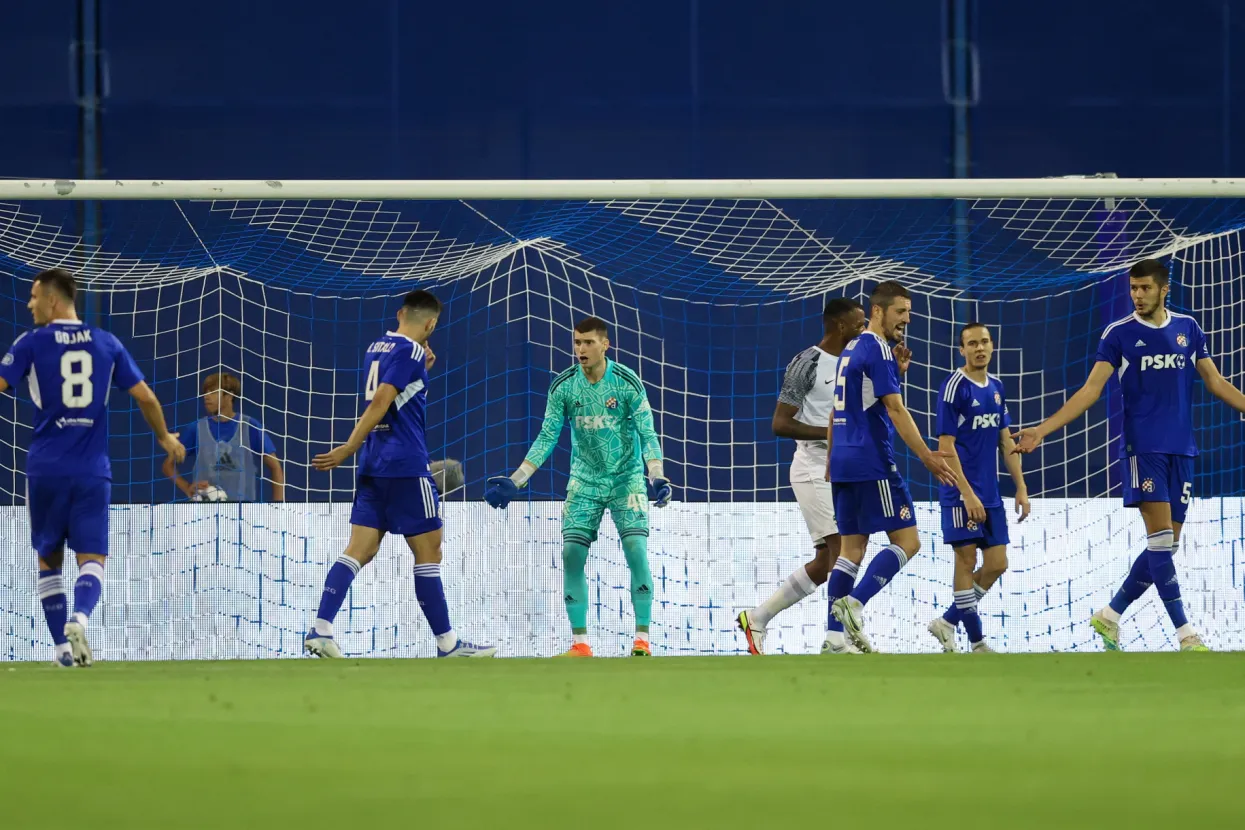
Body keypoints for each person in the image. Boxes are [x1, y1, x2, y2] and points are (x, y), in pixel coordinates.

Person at [1013, 258, 1245, 652]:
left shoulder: (1188, 328)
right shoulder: (1118, 335)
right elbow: (1090, 391)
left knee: (1166, 547)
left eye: (1145, 288)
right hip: (1143, 449)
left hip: (1182, 449)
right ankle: (1186, 634)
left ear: (1163, 289)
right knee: (1159, 542)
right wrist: (1041, 430)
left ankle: (1110, 615)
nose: (1137, 295)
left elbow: (1215, 381)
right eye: (1133, 289)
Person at [0, 268, 184, 667]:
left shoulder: (30, 342)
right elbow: (147, 397)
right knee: (93, 558)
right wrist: (166, 438)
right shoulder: (106, 342)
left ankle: (63, 652)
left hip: (45, 468)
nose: (29, 304)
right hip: (92, 470)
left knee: (49, 559)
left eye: (34, 297)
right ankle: (80, 618)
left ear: (52, 300)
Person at [304, 289, 495, 658]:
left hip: (374, 467)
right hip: (406, 465)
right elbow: (383, 401)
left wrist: (423, 369)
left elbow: (397, 394)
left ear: (399, 313)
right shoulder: (410, 351)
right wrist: (348, 446)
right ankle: (448, 644)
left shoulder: (377, 347)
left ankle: (321, 628)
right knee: (429, 551)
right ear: (431, 324)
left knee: (359, 549)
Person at [483, 316, 672, 657]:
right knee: (571, 554)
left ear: (605, 345)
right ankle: (580, 643)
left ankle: (642, 639)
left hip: (625, 479)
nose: (580, 349)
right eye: (577, 342)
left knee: (636, 550)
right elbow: (547, 436)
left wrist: (655, 474)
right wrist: (516, 481)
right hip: (584, 481)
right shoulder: (564, 387)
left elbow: (647, 432)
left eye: (587, 342)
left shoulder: (627, 383)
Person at [825, 280, 957, 653]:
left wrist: (832, 460)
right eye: (900, 312)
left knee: (851, 551)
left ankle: (834, 638)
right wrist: (926, 455)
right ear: (878, 311)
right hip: (872, 460)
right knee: (908, 541)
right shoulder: (878, 349)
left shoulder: (851, 348)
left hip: (844, 461)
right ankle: (854, 604)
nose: (906, 320)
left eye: (909, 314)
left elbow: (842, 408)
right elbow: (896, 409)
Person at [736, 297, 865, 655]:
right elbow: (780, 423)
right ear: (840, 326)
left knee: (827, 563)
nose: (864, 328)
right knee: (843, 550)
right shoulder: (807, 362)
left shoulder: (856, 361)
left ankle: (757, 618)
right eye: (859, 323)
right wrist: (829, 434)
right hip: (812, 467)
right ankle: (837, 638)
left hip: (845, 468)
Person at [926, 323, 1030, 654]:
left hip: (990, 493)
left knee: (998, 563)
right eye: (972, 343)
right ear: (962, 350)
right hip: (960, 491)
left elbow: (1005, 439)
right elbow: (945, 445)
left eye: (984, 342)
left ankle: (947, 622)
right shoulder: (953, 387)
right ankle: (976, 641)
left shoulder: (997, 387)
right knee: (966, 559)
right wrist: (966, 492)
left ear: (993, 346)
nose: (979, 348)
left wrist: (1021, 487)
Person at [163, 372, 285, 502]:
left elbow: (275, 467)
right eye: (205, 392)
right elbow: (168, 465)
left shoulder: (250, 426)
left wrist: (277, 509)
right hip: (204, 514)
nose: (206, 397)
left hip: (243, 513)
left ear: (230, 395)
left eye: (213, 392)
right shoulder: (196, 429)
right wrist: (187, 487)